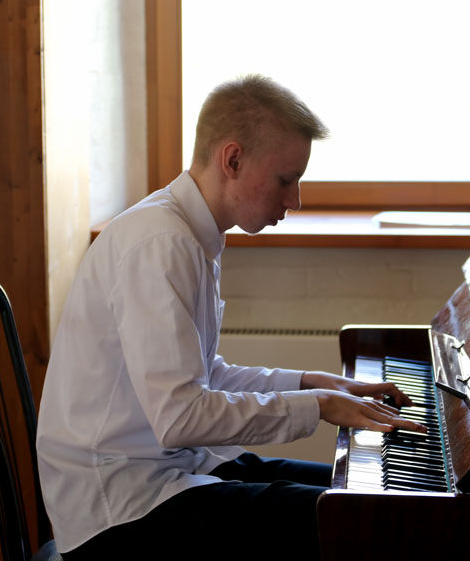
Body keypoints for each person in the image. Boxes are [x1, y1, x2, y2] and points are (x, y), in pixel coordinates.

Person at [36, 75, 426, 560]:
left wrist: (311, 383)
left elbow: (203, 376)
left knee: (369, 501)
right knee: (366, 525)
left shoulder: (189, 233)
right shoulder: (162, 243)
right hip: (118, 506)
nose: (295, 200)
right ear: (233, 160)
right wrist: (317, 406)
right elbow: (181, 417)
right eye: (286, 179)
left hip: (168, 468)